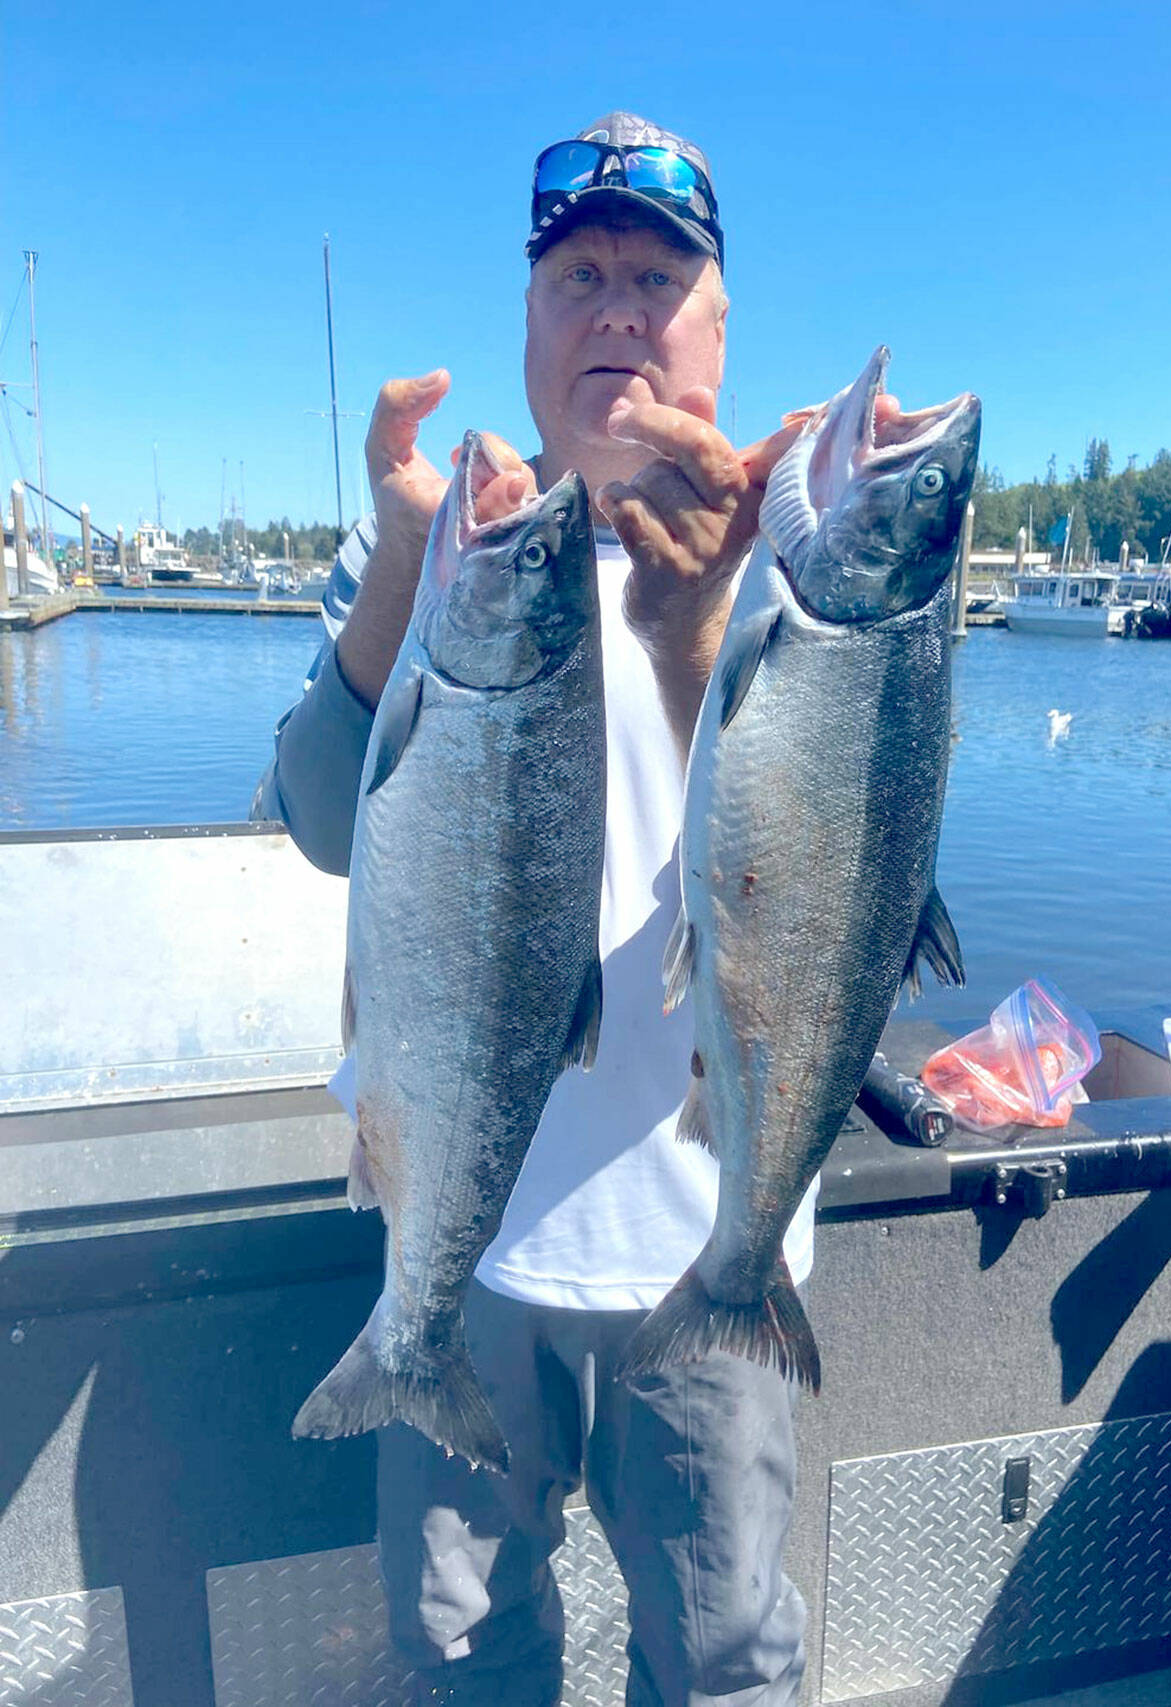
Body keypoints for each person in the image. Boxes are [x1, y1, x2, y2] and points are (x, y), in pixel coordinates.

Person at [254, 111, 830, 1706]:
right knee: (460, 1651)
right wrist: (397, 552)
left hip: (702, 1252)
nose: (618, 310)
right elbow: (315, 818)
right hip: (468, 1238)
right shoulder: (449, 557)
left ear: (719, 327)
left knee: (721, 1658)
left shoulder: (813, 562)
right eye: (579, 274)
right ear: (528, 326)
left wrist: (702, 623)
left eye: (659, 276)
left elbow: (845, 897)